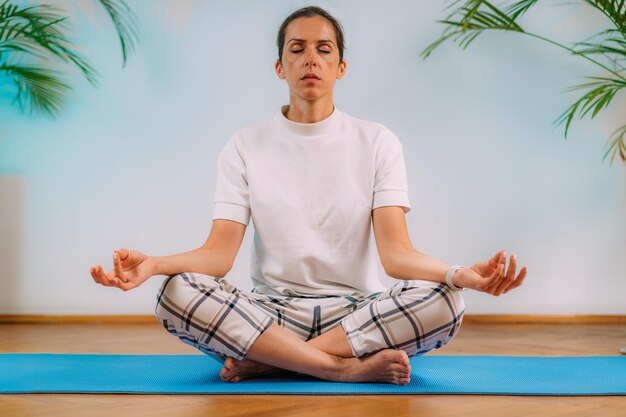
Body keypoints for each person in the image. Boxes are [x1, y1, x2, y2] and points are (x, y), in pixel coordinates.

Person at [90, 6, 527, 386]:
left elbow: (397, 257)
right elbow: (217, 257)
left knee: (447, 301)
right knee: (175, 292)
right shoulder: (244, 145)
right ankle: (337, 369)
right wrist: (153, 266)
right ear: (280, 67)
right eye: (297, 49)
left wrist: (460, 274)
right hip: (268, 315)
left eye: (324, 49)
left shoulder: (378, 142)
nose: (310, 60)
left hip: (356, 316)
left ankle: (272, 364)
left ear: (341, 67)